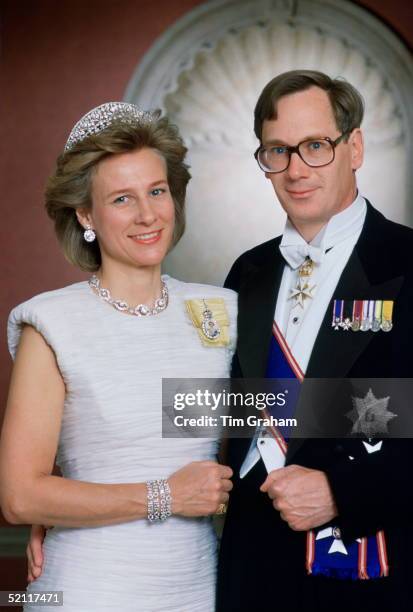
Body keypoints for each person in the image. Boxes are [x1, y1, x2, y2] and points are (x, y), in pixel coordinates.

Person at [0, 102, 236, 611]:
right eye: (122, 198)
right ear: (85, 213)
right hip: (89, 589)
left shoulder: (222, 311)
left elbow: (297, 415)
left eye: (156, 191)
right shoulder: (53, 323)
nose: (148, 214)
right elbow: (20, 496)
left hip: (198, 590)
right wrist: (164, 496)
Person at [216, 70, 413, 611]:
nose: (296, 169)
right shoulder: (247, 274)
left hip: (367, 562)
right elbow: (229, 415)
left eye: (315, 146)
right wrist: (81, 507)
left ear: (355, 147)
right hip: (250, 562)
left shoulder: (406, 262)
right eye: (277, 151)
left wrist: (343, 492)